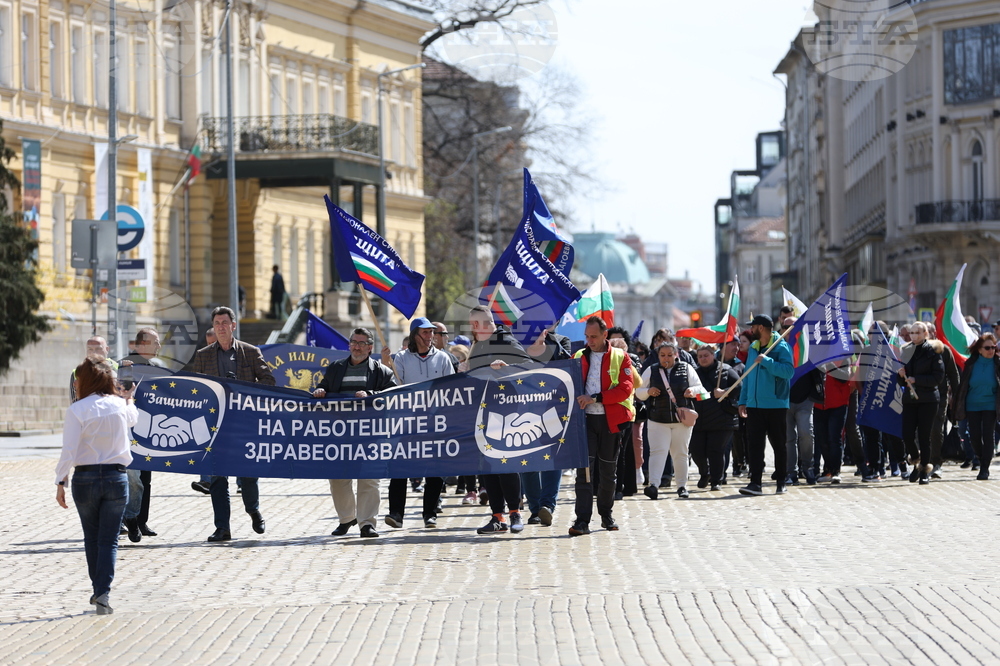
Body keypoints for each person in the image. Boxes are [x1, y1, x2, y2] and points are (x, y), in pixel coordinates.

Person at [55, 356, 137, 615]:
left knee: (91, 538)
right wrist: (129, 398)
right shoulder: (118, 405)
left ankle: (98, 589)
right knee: (109, 540)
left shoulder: (77, 409)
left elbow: (68, 450)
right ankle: (103, 591)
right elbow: (134, 418)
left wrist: (60, 481)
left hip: (85, 478)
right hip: (115, 477)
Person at [192, 306, 276, 541]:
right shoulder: (203, 355)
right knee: (218, 478)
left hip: (245, 424)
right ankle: (222, 527)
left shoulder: (250, 352)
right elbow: (195, 390)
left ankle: (253, 510)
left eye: (224, 323)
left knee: (248, 474)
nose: (220, 327)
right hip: (216, 426)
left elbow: (268, 381)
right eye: (217, 323)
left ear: (233, 326)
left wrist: (242, 389)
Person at [314, 327, 395, 537]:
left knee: (369, 479)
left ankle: (367, 523)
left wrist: (370, 394)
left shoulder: (381, 372)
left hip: (370, 434)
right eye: (353, 342)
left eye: (361, 343)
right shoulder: (335, 368)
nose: (356, 347)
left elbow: (394, 395)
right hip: (340, 434)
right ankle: (347, 518)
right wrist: (321, 391)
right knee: (338, 478)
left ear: (370, 348)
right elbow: (324, 387)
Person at [466, 305, 535, 534]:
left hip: (506, 414)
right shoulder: (477, 346)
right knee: (488, 467)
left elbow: (529, 366)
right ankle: (497, 517)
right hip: (482, 413)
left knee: (506, 464)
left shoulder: (504, 340)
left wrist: (507, 367)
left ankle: (515, 513)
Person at [381, 318, 454, 529]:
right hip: (408, 421)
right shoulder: (401, 359)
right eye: (425, 332)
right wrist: (387, 365)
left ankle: (429, 513)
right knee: (399, 467)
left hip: (435, 421)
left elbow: (450, 388)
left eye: (432, 332)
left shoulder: (442, 358)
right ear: (415, 335)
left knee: (435, 468)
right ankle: (396, 513)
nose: (430, 336)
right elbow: (397, 388)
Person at [569, 316, 634, 535]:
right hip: (585, 421)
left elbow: (625, 389)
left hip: (610, 421)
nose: (589, 341)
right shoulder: (578, 356)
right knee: (584, 472)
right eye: (586, 336)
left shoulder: (621, 357)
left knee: (608, 471)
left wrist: (595, 398)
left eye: (594, 336)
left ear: (605, 335)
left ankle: (606, 515)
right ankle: (582, 520)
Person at [634, 341, 703, 499]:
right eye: (662, 355)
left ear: (676, 355)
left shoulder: (686, 368)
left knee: (681, 454)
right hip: (657, 419)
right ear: (658, 355)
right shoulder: (652, 370)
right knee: (657, 452)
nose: (666, 359)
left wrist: (692, 391)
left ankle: (682, 486)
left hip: (681, 420)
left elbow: (700, 387)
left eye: (669, 355)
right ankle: (653, 485)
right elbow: (639, 391)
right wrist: (648, 391)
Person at [737, 315, 794, 496]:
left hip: (775, 404)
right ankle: (755, 483)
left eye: (752, 327)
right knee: (754, 445)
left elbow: (788, 371)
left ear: (760, 328)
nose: (750, 330)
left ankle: (781, 481)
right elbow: (748, 376)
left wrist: (768, 361)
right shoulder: (753, 347)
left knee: (779, 444)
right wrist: (743, 400)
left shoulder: (780, 346)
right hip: (754, 405)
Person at [897, 321, 945, 485]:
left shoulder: (933, 351)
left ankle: (924, 470)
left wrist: (917, 379)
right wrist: (900, 374)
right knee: (907, 434)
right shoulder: (906, 351)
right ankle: (916, 459)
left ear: (925, 334)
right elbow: (901, 381)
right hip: (910, 399)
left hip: (928, 399)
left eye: (918, 332)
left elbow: (938, 377)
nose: (914, 335)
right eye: (912, 332)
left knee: (925, 436)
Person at [690, 345, 740, 491]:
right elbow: (697, 394)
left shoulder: (726, 370)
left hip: (721, 420)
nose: (703, 359)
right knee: (696, 451)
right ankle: (705, 473)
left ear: (713, 355)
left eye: (706, 355)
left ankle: (716, 480)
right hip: (698, 419)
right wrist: (711, 394)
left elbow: (738, 386)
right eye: (700, 356)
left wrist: (725, 392)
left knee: (716, 451)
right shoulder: (694, 373)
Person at [953, 333, 1000, 480]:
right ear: (979, 349)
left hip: (991, 405)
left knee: (988, 435)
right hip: (972, 405)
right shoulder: (971, 364)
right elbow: (963, 385)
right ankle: (980, 457)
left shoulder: (998, 364)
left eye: (993, 347)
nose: (991, 350)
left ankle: (984, 467)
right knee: (974, 437)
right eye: (987, 348)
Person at [70, 337, 118, 402]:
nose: (94, 352)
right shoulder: (78, 372)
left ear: (107, 349)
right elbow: (74, 400)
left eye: (98, 349)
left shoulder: (118, 368)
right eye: (90, 349)